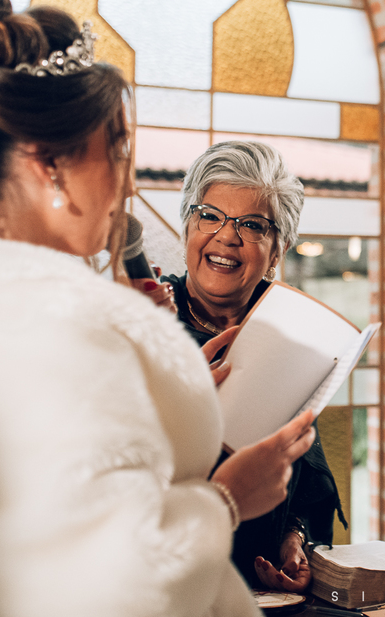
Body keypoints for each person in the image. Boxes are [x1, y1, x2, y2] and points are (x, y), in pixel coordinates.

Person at [0, 0, 315, 617]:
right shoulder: (69, 325)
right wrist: (227, 500)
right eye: (119, 147)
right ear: (50, 164)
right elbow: (120, 583)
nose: (127, 182)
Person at [155, 140, 346, 592]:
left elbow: (302, 481)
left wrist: (294, 539)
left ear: (277, 252)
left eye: (253, 225)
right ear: (187, 227)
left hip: (262, 592)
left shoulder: (291, 338)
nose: (227, 236)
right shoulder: (145, 321)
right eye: (210, 215)